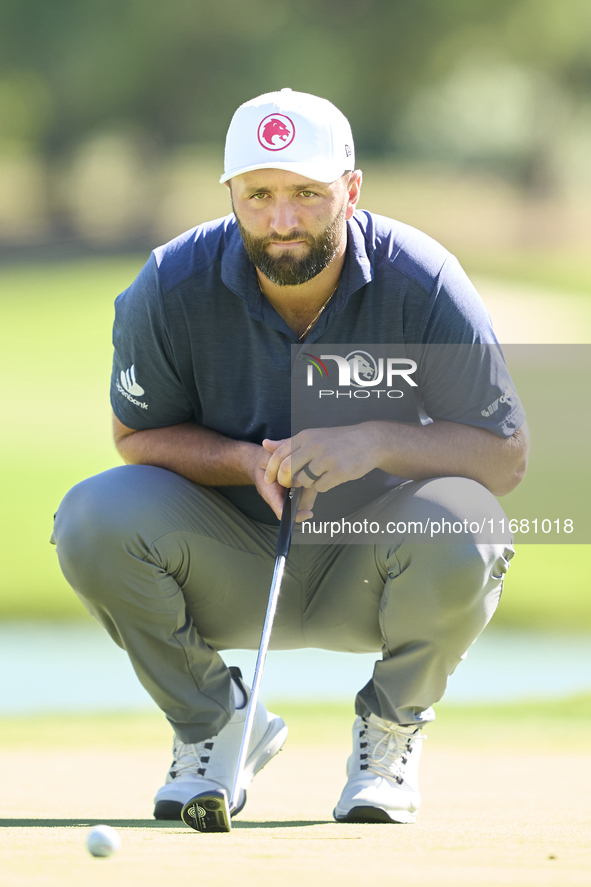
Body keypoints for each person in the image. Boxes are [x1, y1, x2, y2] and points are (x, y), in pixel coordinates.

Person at [51, 88, 529, 825]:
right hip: (228, 556)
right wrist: (245, 462)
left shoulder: (423, 279)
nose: (281, 221)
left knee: (469, 518)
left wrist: (373, 440)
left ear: (351, 189)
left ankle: (388, 734)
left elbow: (505, 457)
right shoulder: (169, 283)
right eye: (259, 194)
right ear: (231, 194)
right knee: (92, 514)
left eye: (307, 194)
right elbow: (135, 438)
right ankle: (215, 723)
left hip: (372, 566)